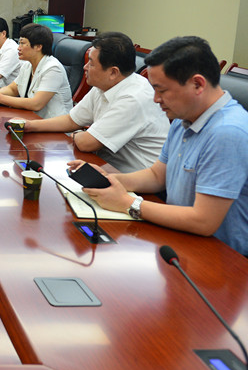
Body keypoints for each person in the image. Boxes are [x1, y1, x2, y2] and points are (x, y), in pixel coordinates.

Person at [74, 36, 248, 255]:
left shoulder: (227, 132)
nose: (156, 99)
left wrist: (129, 203)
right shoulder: (185, 118)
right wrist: (110, 179)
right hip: (179, 238)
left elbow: (203, 221)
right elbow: (157, 176)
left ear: (197, 84)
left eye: (162, 90)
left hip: (220, 258)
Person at [18, 32, 168, 173]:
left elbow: (87, 143)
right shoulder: (104, 84)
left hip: (133, 177)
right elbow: (71, 120)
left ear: (113, 72)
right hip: (104, 165)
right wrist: (30, 125)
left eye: (91, 63)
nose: (85, 67)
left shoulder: (133, 97)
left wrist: (77, 135)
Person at [0, 23, 72, 118]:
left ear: (38, 47)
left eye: (22, 43)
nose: (18, 48)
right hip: (30, 117)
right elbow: (12, 89)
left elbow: (36, 104)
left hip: (52, 123)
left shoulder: (53, 68)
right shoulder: (28, 65)